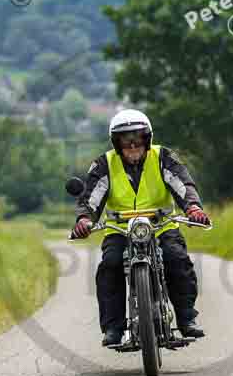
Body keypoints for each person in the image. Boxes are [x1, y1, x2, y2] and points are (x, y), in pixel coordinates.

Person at [72, 109, 211, 346]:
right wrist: (84, 219)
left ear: (148, 138)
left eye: (138, 138)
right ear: (116, 143)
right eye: (126, 140)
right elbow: (92, 197)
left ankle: (187, 318)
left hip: (161, 226)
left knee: (176, 258)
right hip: (120, 229)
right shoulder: (104, 164)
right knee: (110, 265)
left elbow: (182, 184)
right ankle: (113, 328)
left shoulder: (163, 157)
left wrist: (193, 208)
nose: (133, 144)